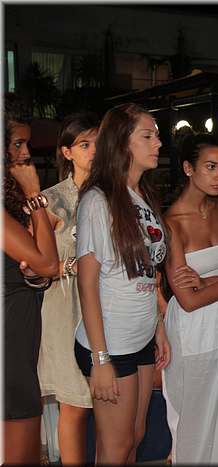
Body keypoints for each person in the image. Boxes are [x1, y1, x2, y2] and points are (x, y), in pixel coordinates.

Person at [74, 103, 171, 464]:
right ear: (121, 142)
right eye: (148, 136)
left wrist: (158, 326)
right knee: (115, 449)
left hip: (140, 337)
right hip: (110, 343)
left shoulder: (143, 196)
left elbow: (148, 273)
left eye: (157, 135)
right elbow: (87, 284)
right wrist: (100, 360)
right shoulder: (98, 200)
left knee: (135, 438)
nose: (158, 143)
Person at [161, 133, 218, 463]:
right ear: (188, 168)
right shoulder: (171, 224)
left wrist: (209, 280)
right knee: (193, 412)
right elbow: (188, 301)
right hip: (193, 327)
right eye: (210, 167)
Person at [37, 112, 99, 465]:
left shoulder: (116, 196)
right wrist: (72, 266)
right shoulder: (52, 200)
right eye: (85, 144)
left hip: (108, 307)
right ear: (67, 152)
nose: (94, 151)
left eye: (99, 143)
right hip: (65, 309)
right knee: (74, 405)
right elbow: (32, 263)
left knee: (109, 404)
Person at [3, 106, 59, 464]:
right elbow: (49, 263)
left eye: (27, 144)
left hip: (19, 340)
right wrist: (36, 194)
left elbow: (42, 265)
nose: (26, 153)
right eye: (17, 144)